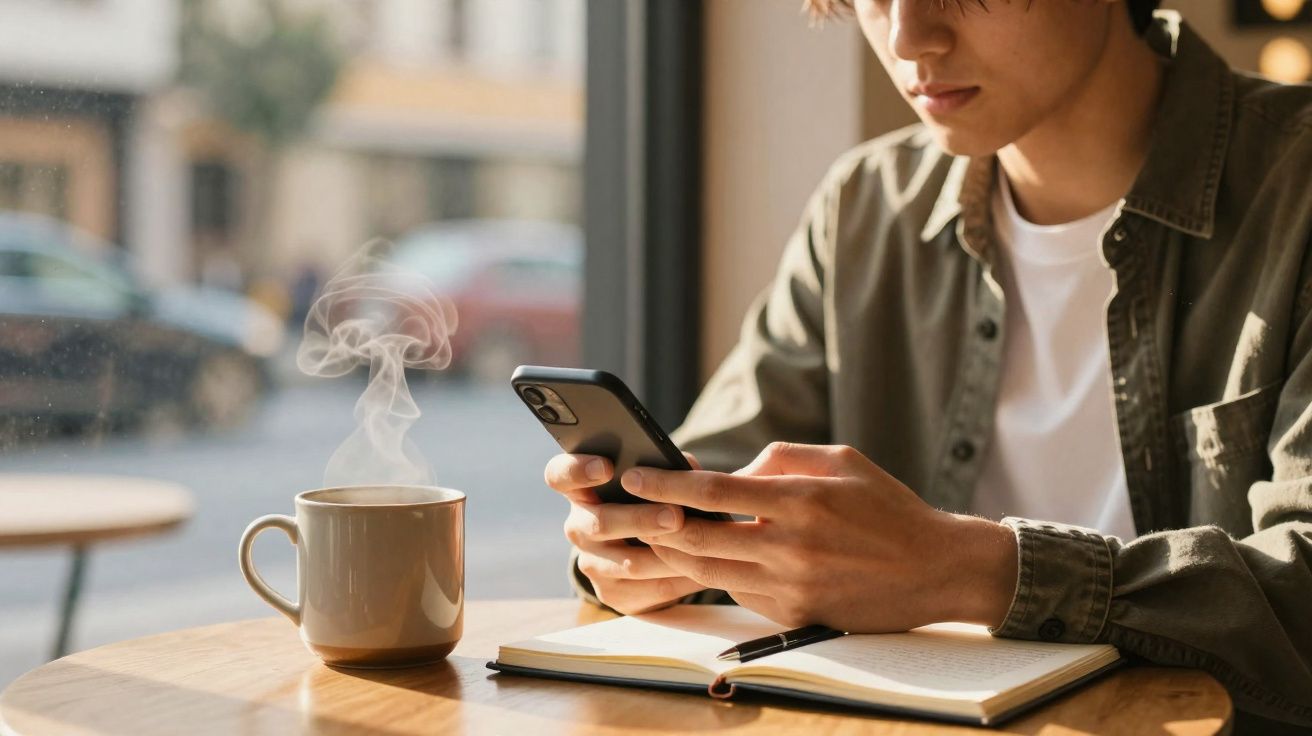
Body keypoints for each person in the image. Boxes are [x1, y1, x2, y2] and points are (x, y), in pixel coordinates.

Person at [544, 1, 1312, 730]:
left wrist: (974, 571)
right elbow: (724, 468)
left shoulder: (1296, 192)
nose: (909, 39)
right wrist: (643, 542)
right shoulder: (869, 206)